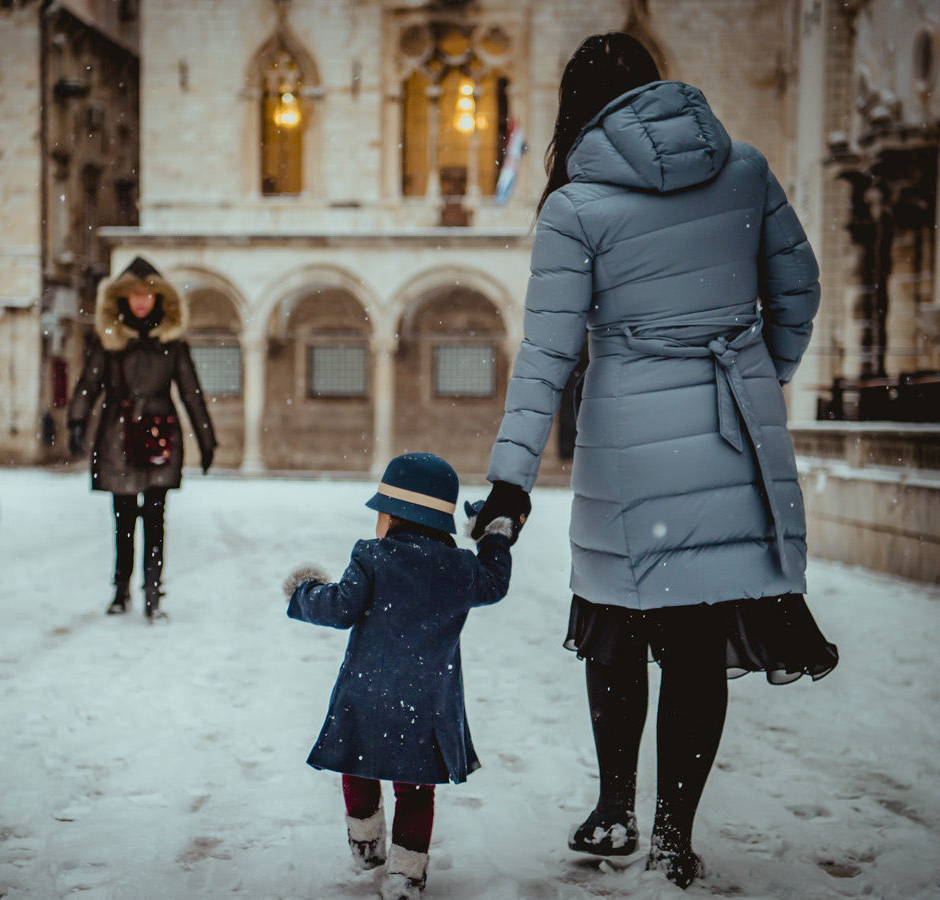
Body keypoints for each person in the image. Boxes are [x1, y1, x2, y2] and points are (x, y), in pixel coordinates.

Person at [472, 33, 839, 889]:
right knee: (697, 639)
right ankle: (675, 831)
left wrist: (509, 481)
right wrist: (756, 378)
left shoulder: (574, 206)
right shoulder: (743, 168)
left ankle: (614, 811)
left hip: (625, 449)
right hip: (729, 440)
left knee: (618, 627)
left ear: (578, 107)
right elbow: (802, 288)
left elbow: (547, 358)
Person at [283, 453, 517, 900]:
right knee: (414, 790)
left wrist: (305, 591)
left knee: (358, 767)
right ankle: (407, 873)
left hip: (367, 695)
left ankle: (366, 842)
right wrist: (494, 537)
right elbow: (495, 582)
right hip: (426, 705)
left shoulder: (372, 556)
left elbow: (339, 608)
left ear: (393, 516)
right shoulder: (462, 569)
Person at [67, 256, 216, 621]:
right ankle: (120, 590)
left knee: (154, 516)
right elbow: (90, 384)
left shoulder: (173, 345)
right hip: (117, 435)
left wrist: (207, 438)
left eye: (147, 294)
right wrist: (76, 420)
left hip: (158, 433)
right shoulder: (110, 343)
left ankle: (152, 592)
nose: (140, 300)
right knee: (123, 517)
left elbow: (191, 392)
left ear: (159, 298)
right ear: (122, 298)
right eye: (133, 294)